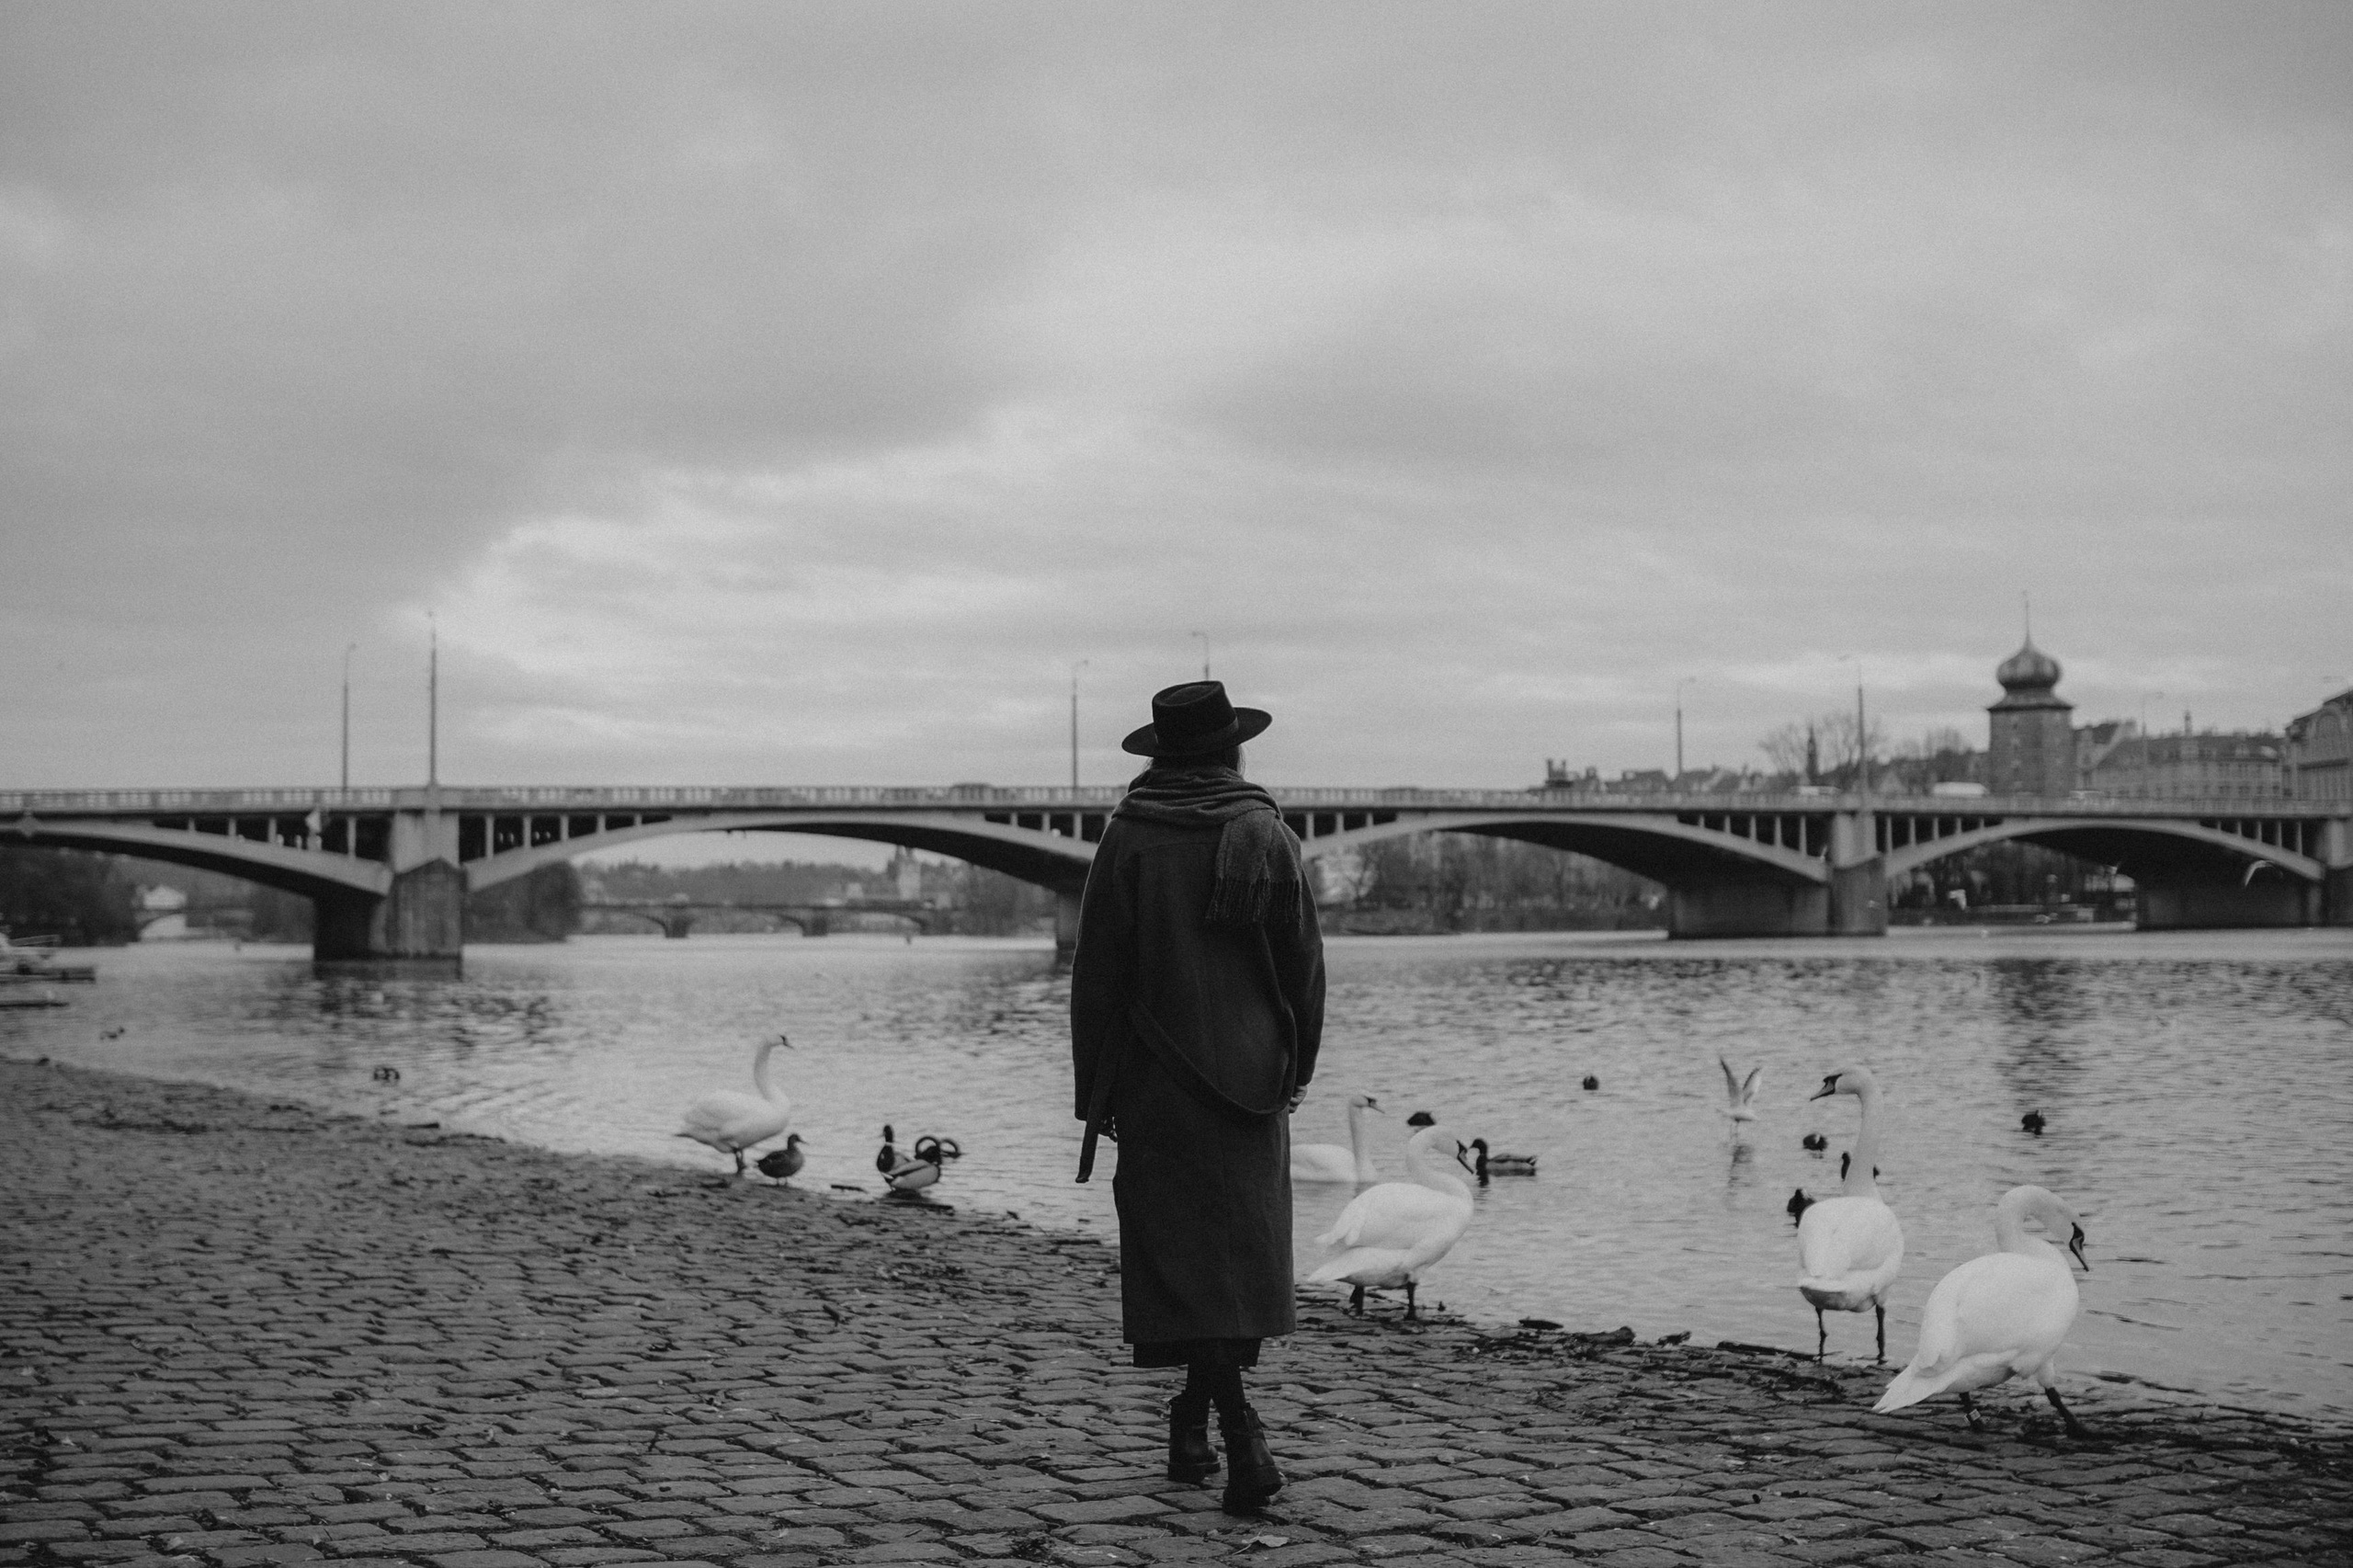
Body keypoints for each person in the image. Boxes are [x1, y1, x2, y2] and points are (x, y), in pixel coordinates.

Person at [1070, 680, 1325, 1515]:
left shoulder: (1131, 838)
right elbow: (1303, 969)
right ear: (1232, 749)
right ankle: (1235, 1429)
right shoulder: (1268, 833)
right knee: (1239, 1257)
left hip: (1158, 1076)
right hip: (1251, 1078)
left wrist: (1093, 1089)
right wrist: (1299, 1068)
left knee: (1183, 1257)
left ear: (1165, 754)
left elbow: (1099, 973)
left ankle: (1203, 1416)